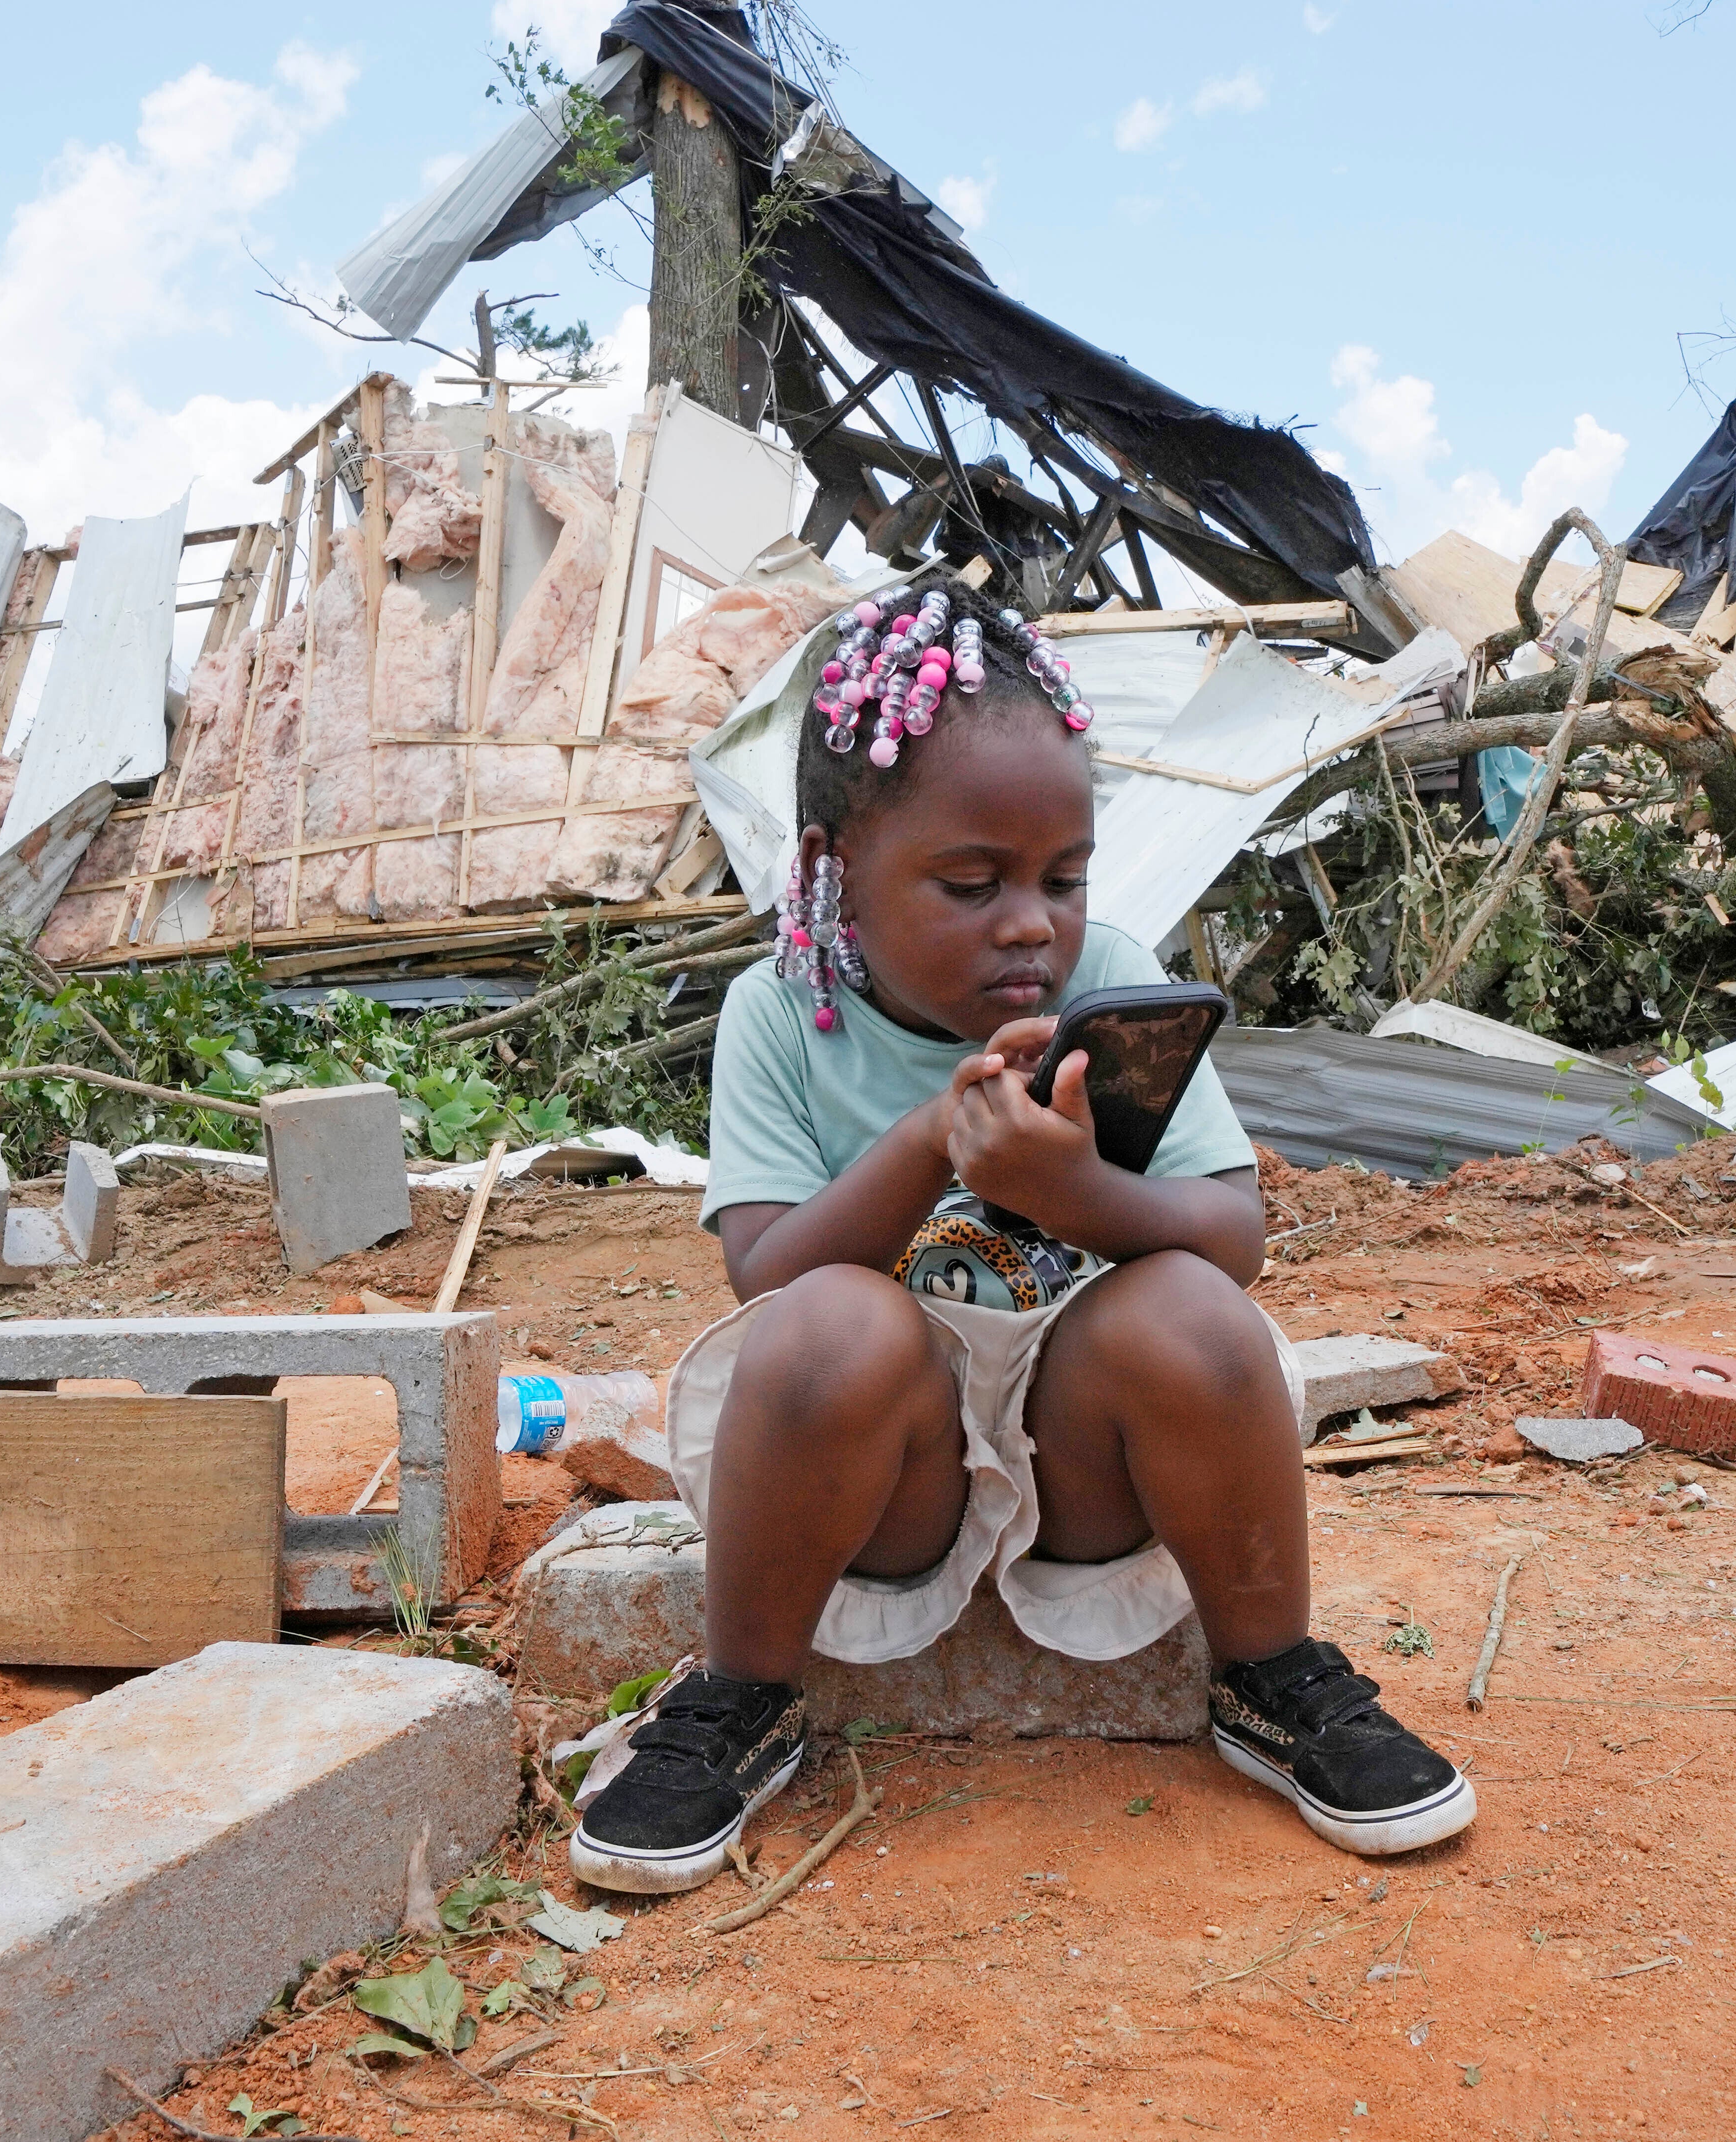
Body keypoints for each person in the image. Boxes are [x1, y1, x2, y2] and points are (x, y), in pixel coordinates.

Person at [566, 573, 1475, 1895]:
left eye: (1061, 876)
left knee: (1189, 1310)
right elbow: (761, 1270)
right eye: (971, 880)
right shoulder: (782, 1011)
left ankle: (1275, 1680)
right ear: (832, 869)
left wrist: (1077, 1195)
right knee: (829, 1317)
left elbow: (1230, 1233)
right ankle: (740, 1699)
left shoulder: (1110, 974)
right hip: (890, 1480)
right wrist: (929, 1139)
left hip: (1082, 1475)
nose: (1031, 922)